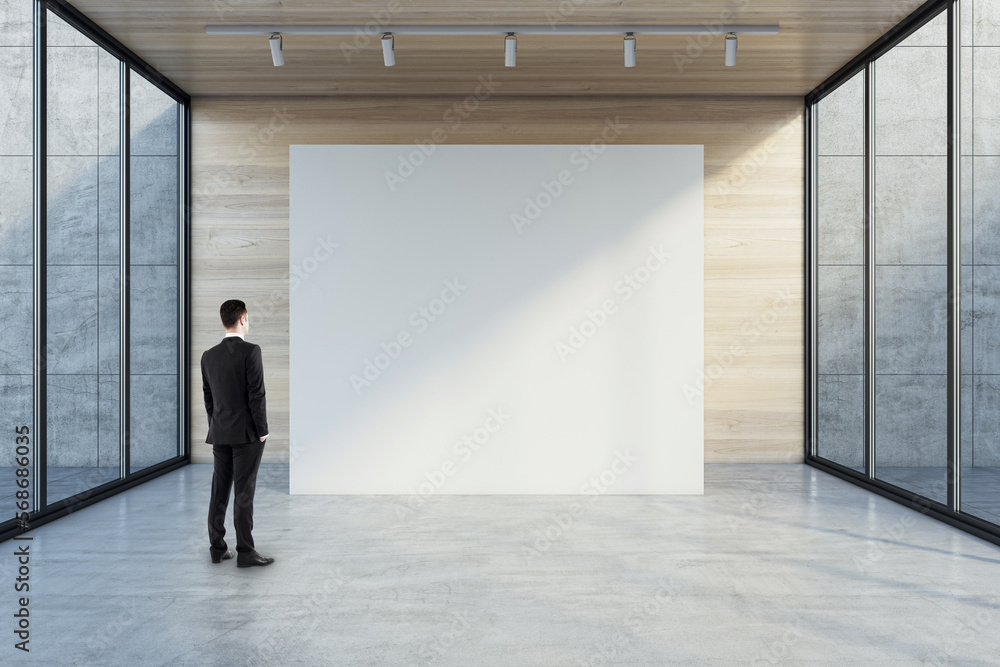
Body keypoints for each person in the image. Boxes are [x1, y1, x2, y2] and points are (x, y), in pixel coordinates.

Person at [201, 299, 274, 567]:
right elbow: (257, 395)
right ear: (242, 319)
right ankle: (245, 552)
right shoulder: (251, 351)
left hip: (219, 433)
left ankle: (217, 548)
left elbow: (209, 399)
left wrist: (215, 426)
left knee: (219, 490)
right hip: (246, 435)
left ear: (224, 320)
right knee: (244, 491)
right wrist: (262, 430)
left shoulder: (208, 356)